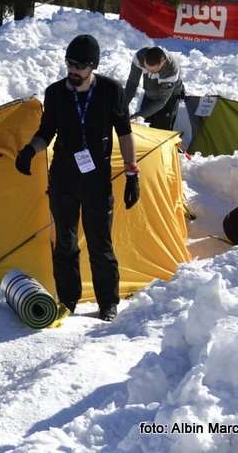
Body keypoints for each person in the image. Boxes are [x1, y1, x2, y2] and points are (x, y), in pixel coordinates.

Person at [15, 34, 140, 322]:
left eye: (79, 66)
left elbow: (124, 132)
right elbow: (47, 131)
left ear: (92, 67)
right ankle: (68, 299)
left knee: (100, 244)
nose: (72, 70)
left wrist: (133, 173)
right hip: (63, 179)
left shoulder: (111, 91)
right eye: (69, 63)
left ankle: (107, 302)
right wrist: (29, 152)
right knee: (66, 243)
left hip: (97, 181)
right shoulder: (56, 92)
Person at [124, 46, 185, 130]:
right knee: (141, 126)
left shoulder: (171, 69)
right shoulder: (139, 58)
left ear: (163, 63)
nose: (149, 72)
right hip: (150, 90)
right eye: (146, 68)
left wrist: (140, 115)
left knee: (160, 128)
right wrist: (122, 106)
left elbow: (162, 100)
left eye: (153, 71)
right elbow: (132, 84)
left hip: (169, 95)